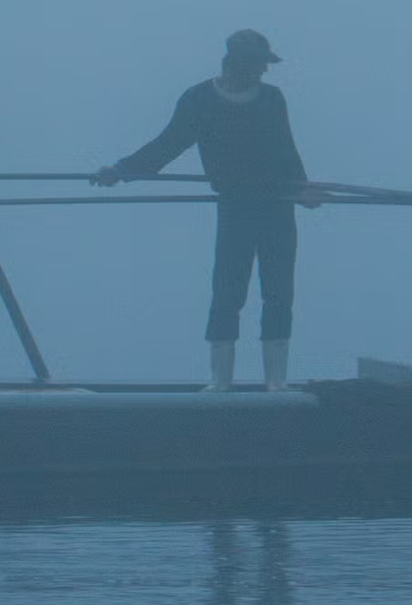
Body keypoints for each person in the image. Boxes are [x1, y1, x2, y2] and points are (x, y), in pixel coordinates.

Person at [92, 29, 321, 391]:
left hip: (277, 204)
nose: (264, 71)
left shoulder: (272, 99)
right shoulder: (200, 99)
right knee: (229, 289)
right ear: (240, 63)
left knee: (278, 291)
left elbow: (286, 152)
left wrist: (303, 188)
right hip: (235, 205)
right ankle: (220, 381)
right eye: (260, 64)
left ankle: (276, 381)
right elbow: (168, 144)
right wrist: (122, 171)